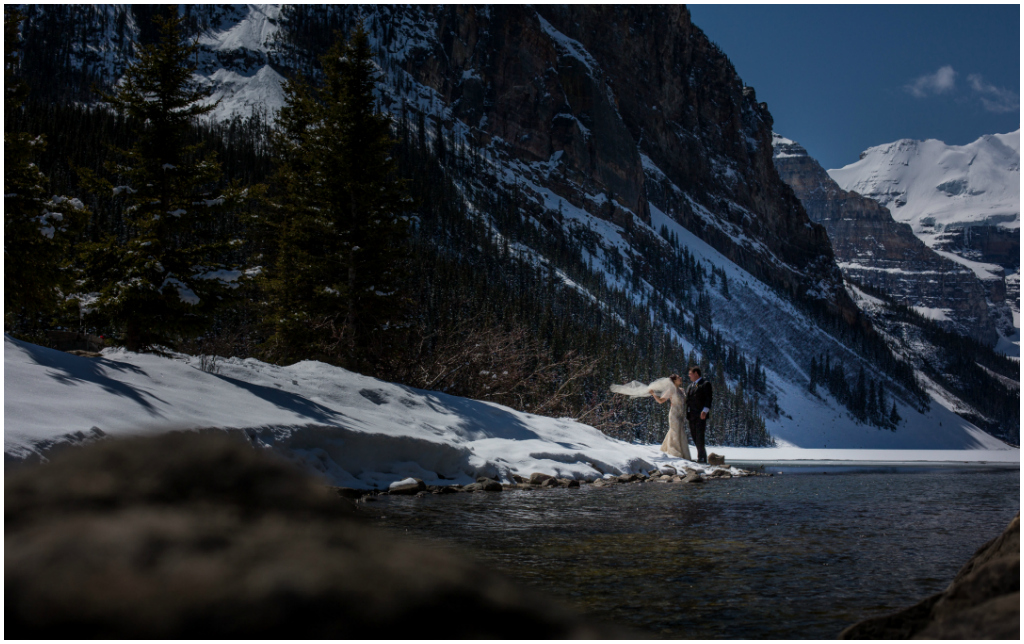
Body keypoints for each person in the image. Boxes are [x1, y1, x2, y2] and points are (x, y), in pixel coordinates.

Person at [650, 374, 691, 460]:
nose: (681, 378)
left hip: (681, 415)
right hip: (674, 414)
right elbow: (661, 401)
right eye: (678, 377)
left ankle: (668, 450)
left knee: (680, 431)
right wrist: (653, 394)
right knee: (675, 431)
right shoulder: (671, 390)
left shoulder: (682, 390)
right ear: (674, 381)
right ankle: (675, 453)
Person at [685, 366, 713, 464]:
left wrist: (705, 411)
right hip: (691, 415)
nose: (689, 376)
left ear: (696, 373)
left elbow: (708, 399)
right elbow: (687, 400)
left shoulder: (705, 384)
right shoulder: (690, 386)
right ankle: (701, 457)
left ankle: (701, 458)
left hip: (701, 415)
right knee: (694, 436)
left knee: (700, 436)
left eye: (690, 374)